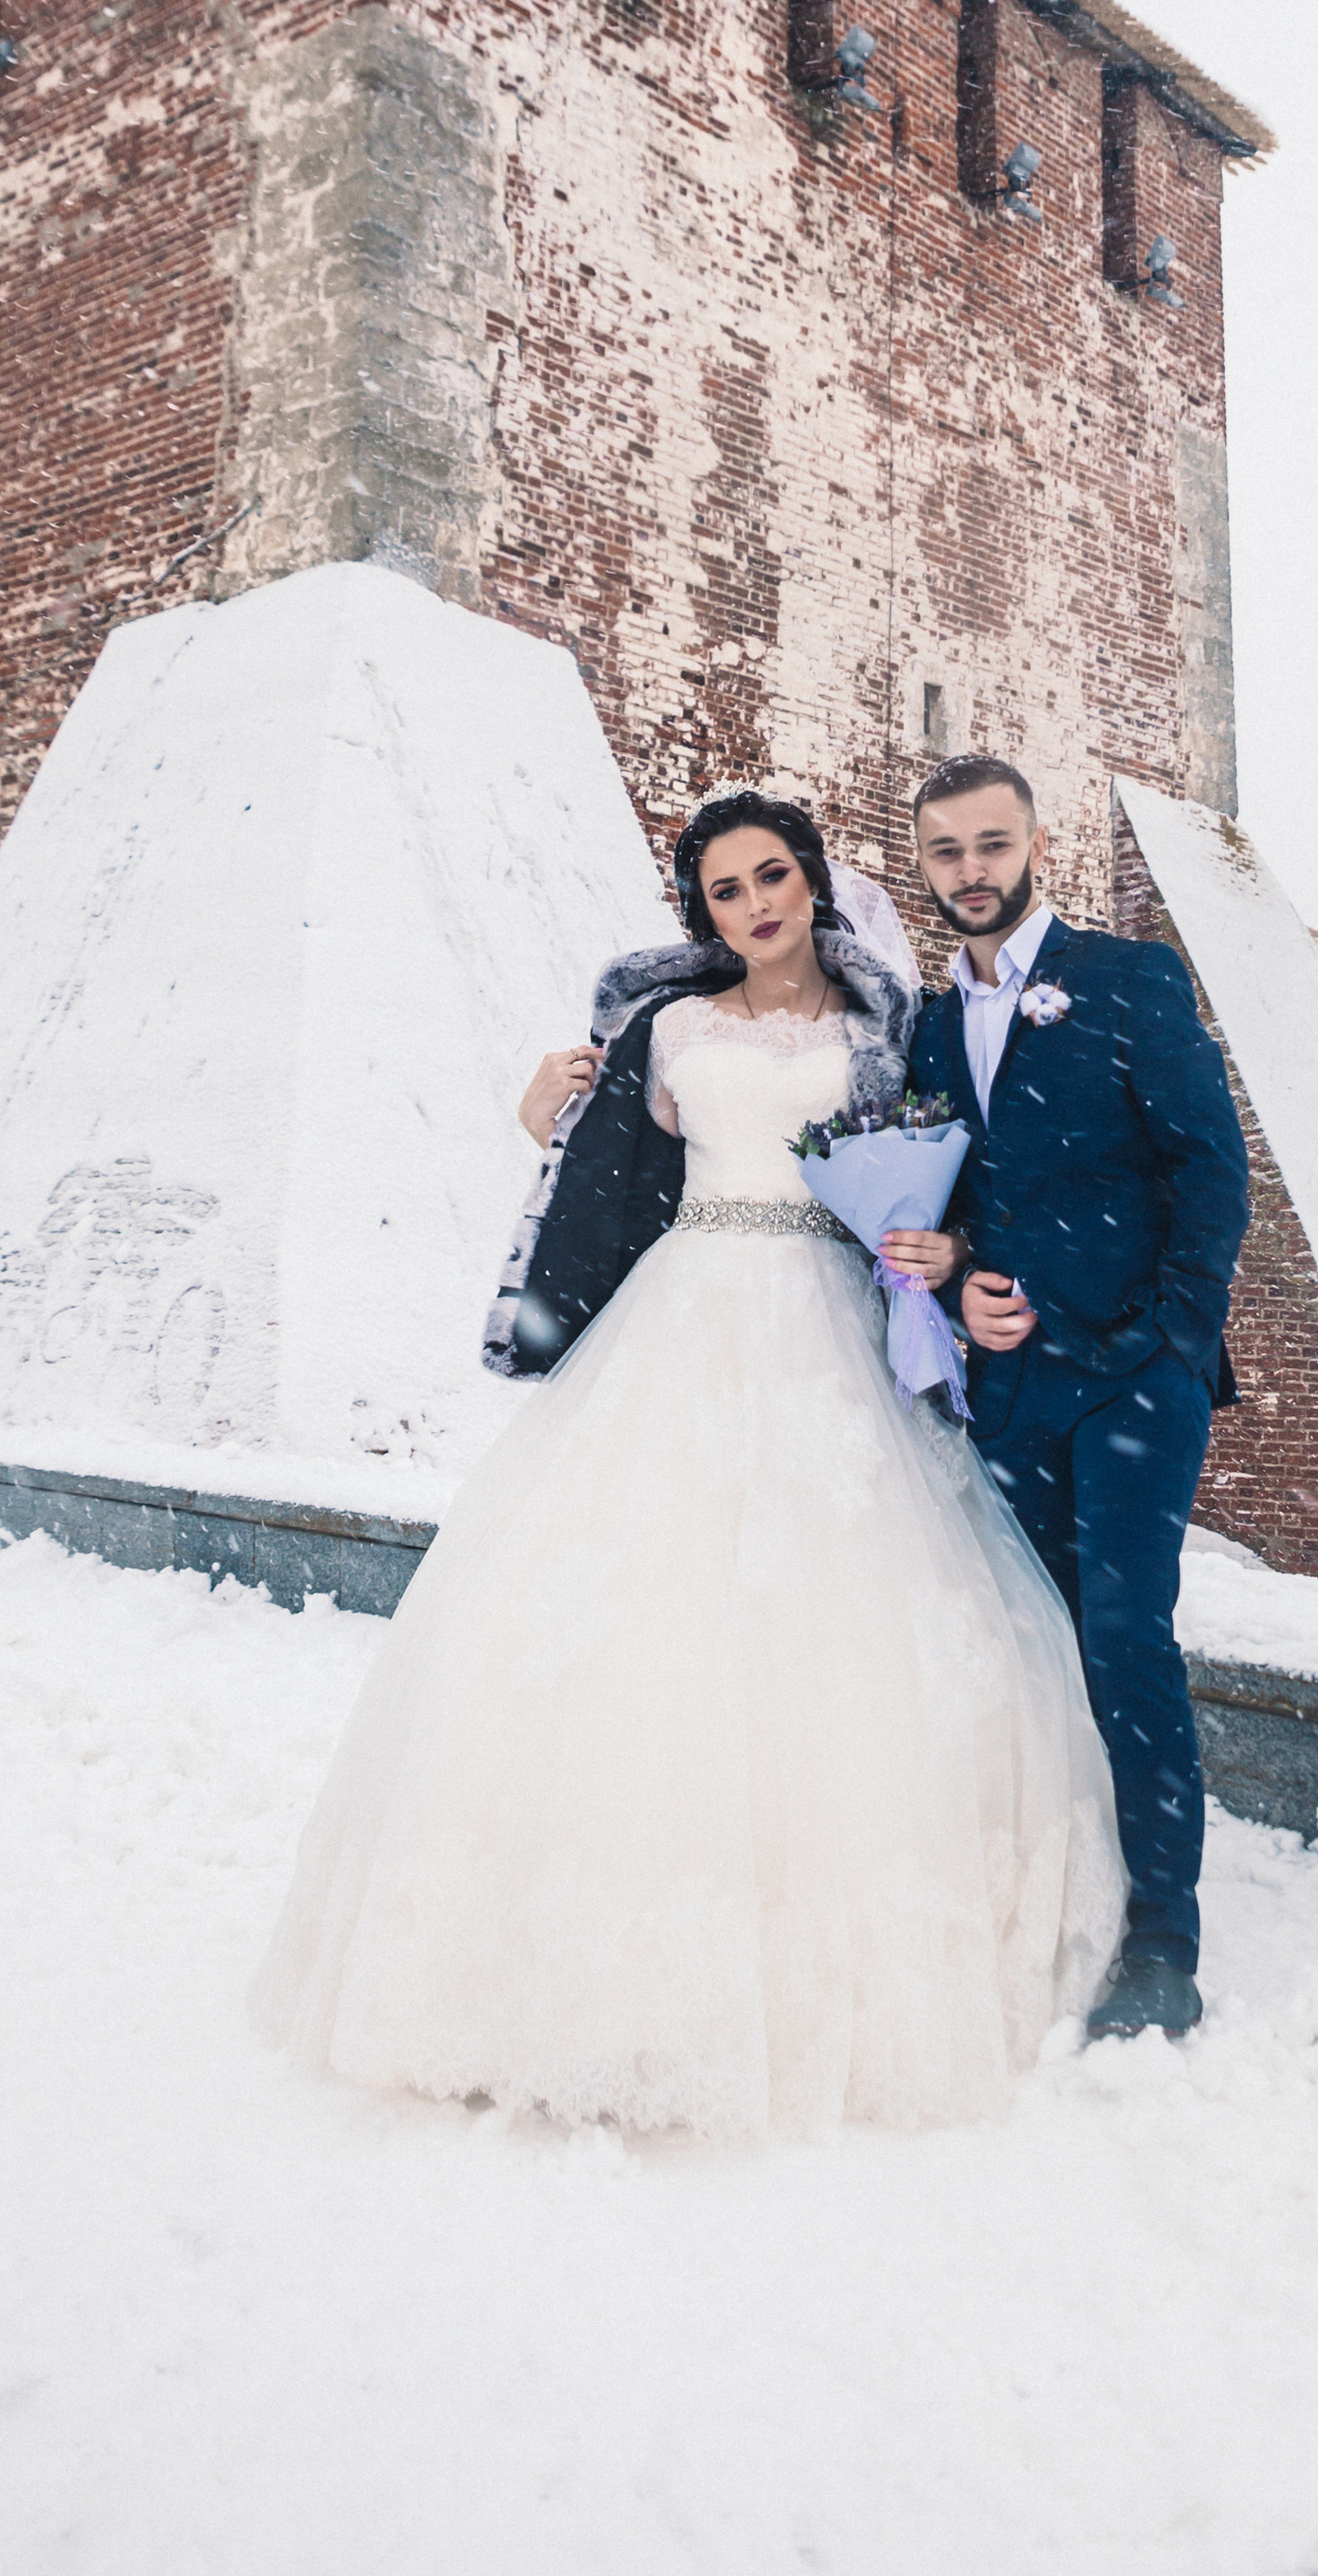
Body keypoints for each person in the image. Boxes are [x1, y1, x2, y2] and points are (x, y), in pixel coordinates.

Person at [251, 790, 1126, 2144]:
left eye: (772, 876)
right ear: (701, 912)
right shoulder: (665, 1027)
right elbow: (608, 1177)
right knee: (639, 1614)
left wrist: (952, 1261)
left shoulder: (884, 1030)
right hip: (684, 1310)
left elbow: (942, 1179)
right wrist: (540, 1118)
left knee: (835, 1622)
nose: (756, 906)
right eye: (726, 890)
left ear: (811, 880)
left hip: (831, 1327)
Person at [906, 757, 1250, 2039]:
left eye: (991, 844)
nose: (971, 871)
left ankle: (1163, 1945)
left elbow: (1211, 1169)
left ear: (1035, 845)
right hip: (1011, 1386)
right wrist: (962, 1290)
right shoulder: (928, 1029)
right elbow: (947, 1200)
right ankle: (1066, 1900)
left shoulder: (1126, 980)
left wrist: (1173, 1338)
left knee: (1125, 1637)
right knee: (1035, 1646)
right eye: (946, 851)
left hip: (1135, 1379)